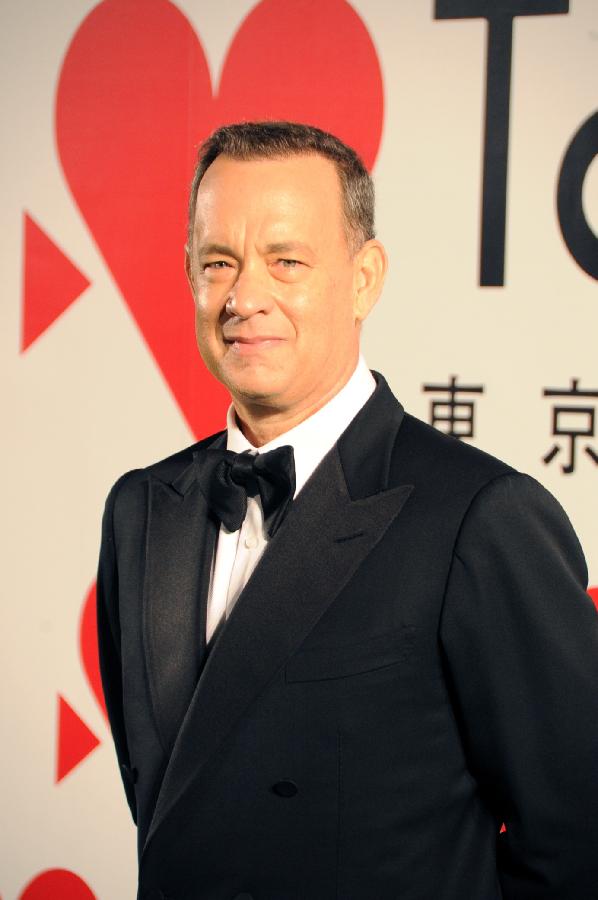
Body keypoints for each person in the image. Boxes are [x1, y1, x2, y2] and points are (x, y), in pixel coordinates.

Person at [97, 121, 598, 900]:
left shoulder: (480, 516)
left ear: (365, 277)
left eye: (286, 260)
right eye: (218, 261)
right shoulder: (141, 510)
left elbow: (579, 843)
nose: (244, 296)